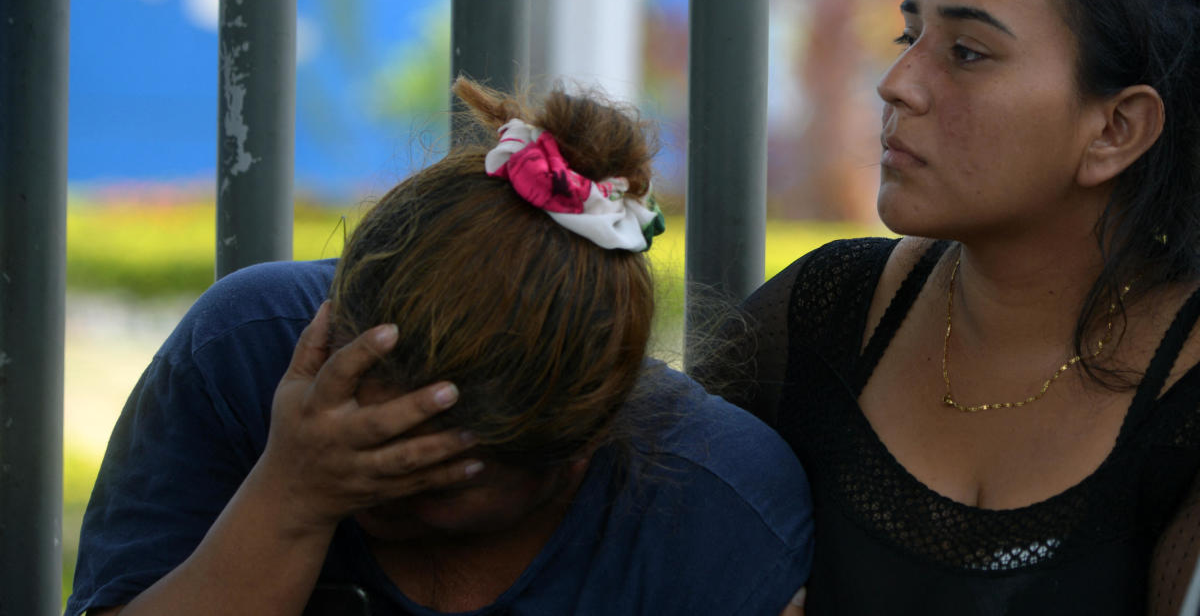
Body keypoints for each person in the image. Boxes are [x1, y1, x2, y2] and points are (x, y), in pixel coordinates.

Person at [65, 79, 814, 616]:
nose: (369, 476)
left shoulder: (714, 507)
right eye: (353, 420)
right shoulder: (246, 355)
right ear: (329, 328)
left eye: (428, 478)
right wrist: (290, 495)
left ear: (581, 446)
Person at [695, 0, 1200, 614]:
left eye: (966, 52)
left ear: (1115, 129)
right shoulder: (827, 311)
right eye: (910, 38)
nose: (897, 83)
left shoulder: (1184, 399)